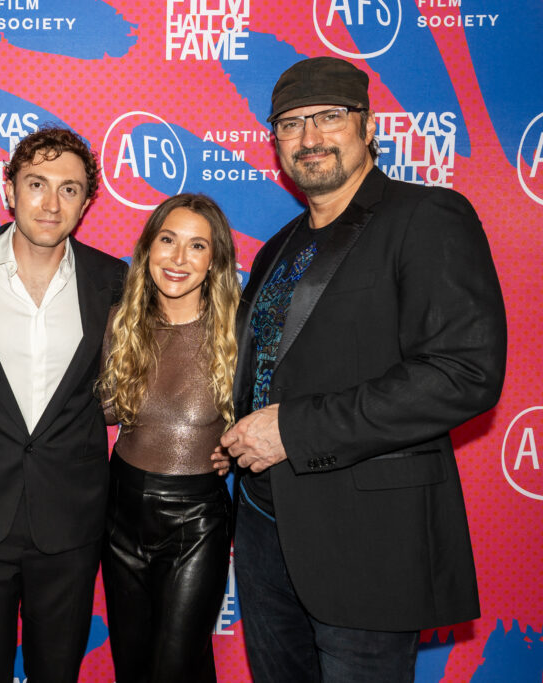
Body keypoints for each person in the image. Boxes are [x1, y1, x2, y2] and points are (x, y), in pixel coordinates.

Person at [220, 56, 507, 682]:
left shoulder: (426, 216)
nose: (309, 137)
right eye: (291, 123)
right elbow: (267, 368)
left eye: (328, 116)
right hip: (265, 531)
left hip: (368, 540)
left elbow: (463, 372)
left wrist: (292, 430)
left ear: (368, 125)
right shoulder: (278, 247)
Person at [0, 126, 127, 682]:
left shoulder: (112, 279)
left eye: (69, 189)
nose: (50, 203)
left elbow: (135, 379)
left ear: (86, 203)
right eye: (37, 183)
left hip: (70, 517)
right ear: (9, 189)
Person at [97, 193, 238, 683]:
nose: (179, 258)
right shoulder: (120, 321)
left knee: (174, 668)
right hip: (120, 513)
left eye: (197, 246)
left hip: (196, 521)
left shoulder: (237, 329)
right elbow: (100, 410)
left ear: (215, 260)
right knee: (134, 669)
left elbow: (272, 416)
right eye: (168, 240)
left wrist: (235, 448)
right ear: (148, 248)